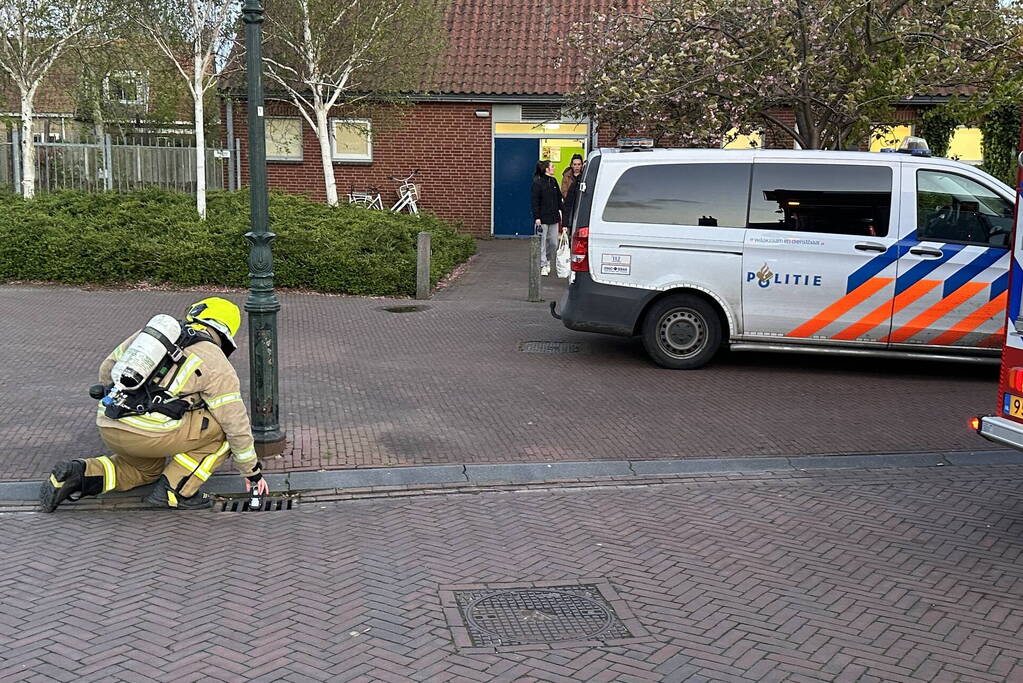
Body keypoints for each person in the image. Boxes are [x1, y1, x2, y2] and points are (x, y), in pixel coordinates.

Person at [39, 297, 270, 511]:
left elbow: (106, 370)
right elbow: (236, 424)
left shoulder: (151, 337)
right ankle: (176, 491)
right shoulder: (215, 359)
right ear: (227, 333)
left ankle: (77, 474)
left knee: (143, 470)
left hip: (110, 421)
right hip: (150, 435)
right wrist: (252, 473)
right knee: (223, 432)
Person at [531, 159, 563, 276]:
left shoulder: (554, 181)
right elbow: (535, 201)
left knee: (554, 242)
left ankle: (548, 259)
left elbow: (559, 198)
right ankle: (543, 265)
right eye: (552, 166)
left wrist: (562, 212)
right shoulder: (538, 183)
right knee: (542, 243)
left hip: (554, 217)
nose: (554, 168)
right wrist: (537, 217)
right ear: (546, 169)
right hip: (542, 218)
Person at [561, 154, 585, 231]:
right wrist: (567, 197)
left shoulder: (584, 176)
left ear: (582, 165)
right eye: (575, 164)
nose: (577, 166)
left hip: (580, 203)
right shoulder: (567, 176)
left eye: (579, 164)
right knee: (568, 225)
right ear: (571, 165)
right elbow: (564, 189)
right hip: (569, 203)